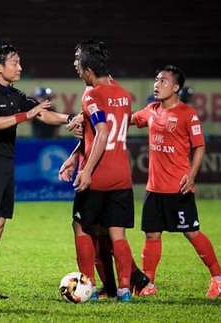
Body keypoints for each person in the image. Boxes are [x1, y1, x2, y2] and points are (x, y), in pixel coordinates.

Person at [0, 44, 71, 299]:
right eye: (15, 62)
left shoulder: (16, 95)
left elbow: (43, 115)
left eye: (19, 62)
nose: (20, 67)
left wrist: (73, 118)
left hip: (5, 162)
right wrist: (25, 115)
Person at [131, 65, 221, 298]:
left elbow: (200, 146)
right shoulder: (151, 110)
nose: (157, 84)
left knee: (192, 232)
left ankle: (219, 278)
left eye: (163, 81)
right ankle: (149, 284)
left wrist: (192, 174)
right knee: (152, 235)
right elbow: (128, 120)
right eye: (156, 80)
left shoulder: (188, 114)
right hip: (154, 188)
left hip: (178, 186)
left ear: (176, 87)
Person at [58, 38, 136, 302]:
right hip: (122, 175)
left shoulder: (91, 94)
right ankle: (124, 290)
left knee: (81, 227)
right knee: (117, 233)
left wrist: (87, 169)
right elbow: (95, 132)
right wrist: (73, 157)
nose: (75, 66)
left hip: (99, 175)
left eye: (78, 61)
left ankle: (88, 287)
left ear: (88, 70)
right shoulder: (124, 94)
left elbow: (102, 132)